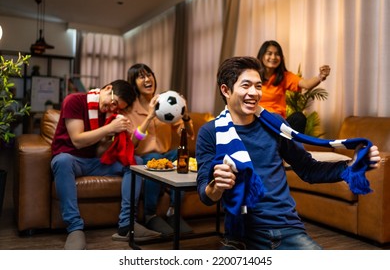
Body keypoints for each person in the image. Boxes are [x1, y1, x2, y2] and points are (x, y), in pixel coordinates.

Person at [196, 56, 380, 250]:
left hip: (286, 228)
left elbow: (308, 169)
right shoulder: (210, 132)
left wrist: (352, 165)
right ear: (226, 90)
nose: (254, 93)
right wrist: (217, 185)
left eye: (258, 86)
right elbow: (206, 195)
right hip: (241, 233)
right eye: (246, 85)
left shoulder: (276, 124)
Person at [51, 79, 161, 250]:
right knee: (62, 160)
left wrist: (143, 121)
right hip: (71, 159)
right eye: (113, 103)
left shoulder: (110, 116)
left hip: (94, 161)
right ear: (108, 89)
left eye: (116, 108)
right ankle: (74, 228)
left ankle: (127, 224)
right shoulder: (74, 100)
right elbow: (78, 140)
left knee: (136, 162)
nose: (111, 109)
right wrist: (109, 129)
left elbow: (129, 144)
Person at [122, 63, 194, 237]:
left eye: (149, 75)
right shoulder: (129, 108)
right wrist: (149, 116)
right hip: (145, 157)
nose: (147, 79)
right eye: (141, 76)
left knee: (181, 157)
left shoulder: (167, 102)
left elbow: (189, 134)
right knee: (154, 158)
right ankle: (150, 215)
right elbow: (133, 143)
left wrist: (185, 117)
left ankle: (173, 212)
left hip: (166, 155)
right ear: (134, 82)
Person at [257, 40, 331, 133]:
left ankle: (290, 146)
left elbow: (306, 85)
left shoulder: (285, 76)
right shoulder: (253, 75)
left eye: (277, 54)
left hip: (278, 124)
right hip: (258, 121)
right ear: (262, 56)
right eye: (269, 53)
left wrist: (321, 76)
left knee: (298, 118)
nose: (273, 57)